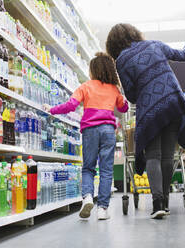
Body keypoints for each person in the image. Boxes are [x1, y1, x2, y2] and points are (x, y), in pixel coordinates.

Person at [106, 23, 185, 219]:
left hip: (150, 110)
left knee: (153, 156)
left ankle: (157, 203)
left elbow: (131, 95)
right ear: (134, 33)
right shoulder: (154, 44)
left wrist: (144, 87)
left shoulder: (121, 61)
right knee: (168, 156)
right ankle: (164, 201)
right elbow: (183, 55)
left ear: (113, 45)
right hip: (174, 102)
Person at [47, 52, 129, 220]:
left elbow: (71, 105)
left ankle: (87, 197)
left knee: (88, 167)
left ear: (93, 70)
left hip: (90, 130)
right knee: (106, 170)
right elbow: (123, 108)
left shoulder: (85, 86)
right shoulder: (114, 88)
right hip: (107, 130)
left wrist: (51, 109)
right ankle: (102, 209)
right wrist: (123, 98)